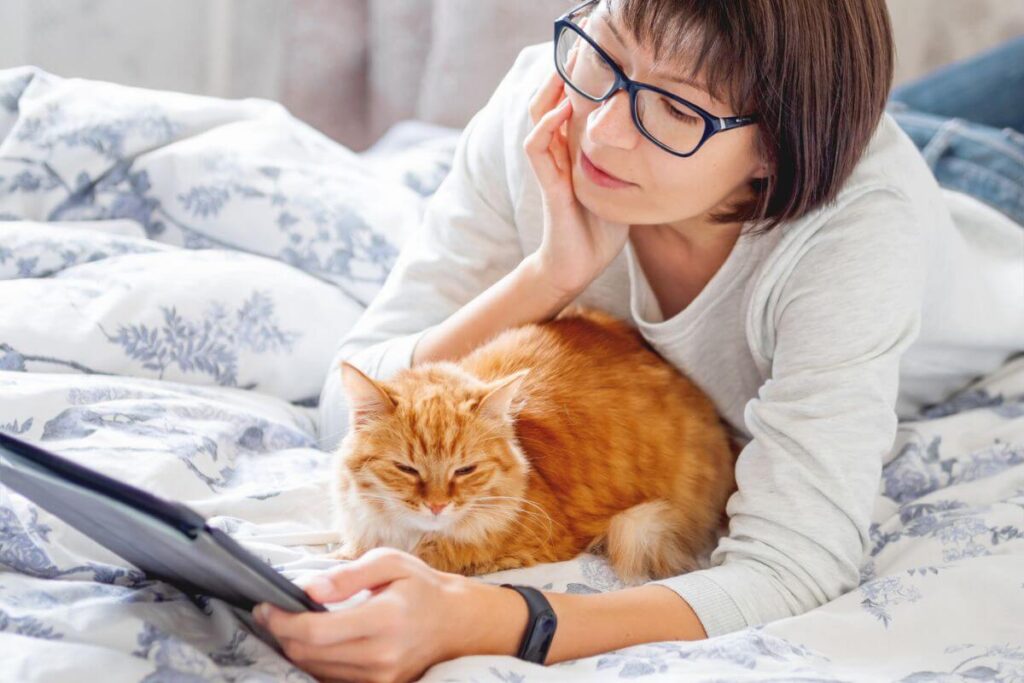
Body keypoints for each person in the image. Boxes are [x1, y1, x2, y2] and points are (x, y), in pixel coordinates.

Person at [256, 0, 1024, 678]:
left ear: (773, 151)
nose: (605, 130)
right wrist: (546, 276)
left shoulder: (855, 236)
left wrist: (498, 619)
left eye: (676, 113)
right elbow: (345, 405)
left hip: (996, 191)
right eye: (608, 53)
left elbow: (792, 565)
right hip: (841, 110)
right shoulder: (548, 104)